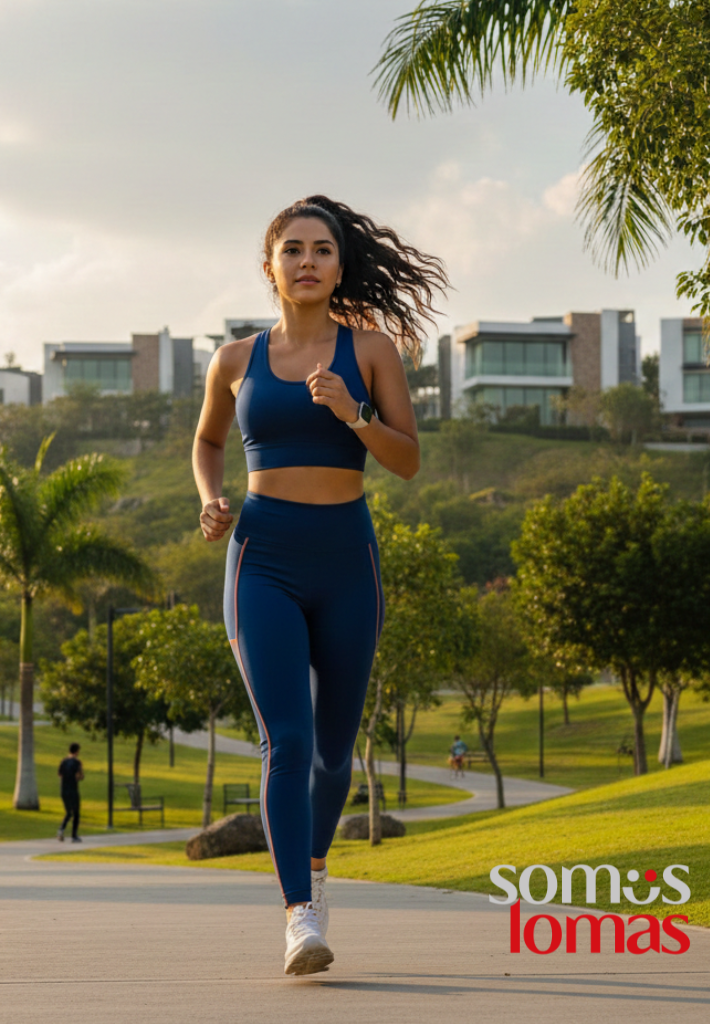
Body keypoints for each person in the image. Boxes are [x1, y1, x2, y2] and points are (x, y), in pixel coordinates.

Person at [193, 195, 446, 976]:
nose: (307, 262)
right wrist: (209, 497)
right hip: (261, 555)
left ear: (340, 266)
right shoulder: (235, 360)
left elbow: (405, 460)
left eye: (322, 250)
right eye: (293, 249)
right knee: (288, 740)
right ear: (269, 265)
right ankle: (299, 913)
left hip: (346, 559)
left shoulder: (369, 351)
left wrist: (355, 411)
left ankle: (315, 868)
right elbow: (206, 442)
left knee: (334, 753)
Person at [57, 742, 84, 843]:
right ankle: (74, 836)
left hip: (64, 790)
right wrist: (80, 777)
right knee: (76, 813)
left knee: (69, 812)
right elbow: (79, 776)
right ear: (77, 751)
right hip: (73, 790)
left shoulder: (63, 761)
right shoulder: (77, 762)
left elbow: (60, 774)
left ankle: (61, 830)